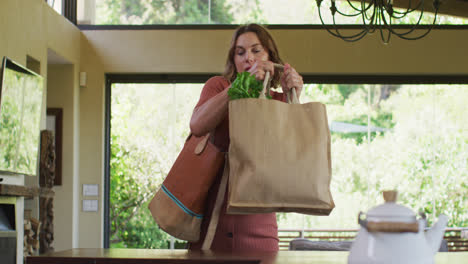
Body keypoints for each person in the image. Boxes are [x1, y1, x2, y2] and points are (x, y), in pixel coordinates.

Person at [188, 24, 304, 252]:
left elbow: (291, 156)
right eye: (240, 52)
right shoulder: (219, 87)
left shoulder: (279, 102)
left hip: (260, 228)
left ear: (270, 56)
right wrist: (240, 87)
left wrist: (294, 97)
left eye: (256, 50)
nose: (248, 58)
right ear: (234, 59)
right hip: (211, 228)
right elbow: (197, 125)